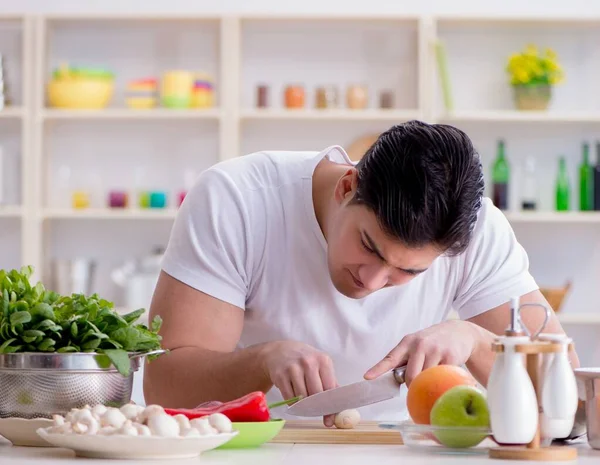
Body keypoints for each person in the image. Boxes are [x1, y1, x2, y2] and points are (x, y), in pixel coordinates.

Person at [144, 120, 579, 426]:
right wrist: (262, 360)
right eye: (369, 246)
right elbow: (164, 391)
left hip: (405, 449)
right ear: (347, 186)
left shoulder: (478, 230)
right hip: (255, 447)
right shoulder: (237, 200)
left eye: (407, 271)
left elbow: (566, 399)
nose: (371, 283)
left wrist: (476, 340)